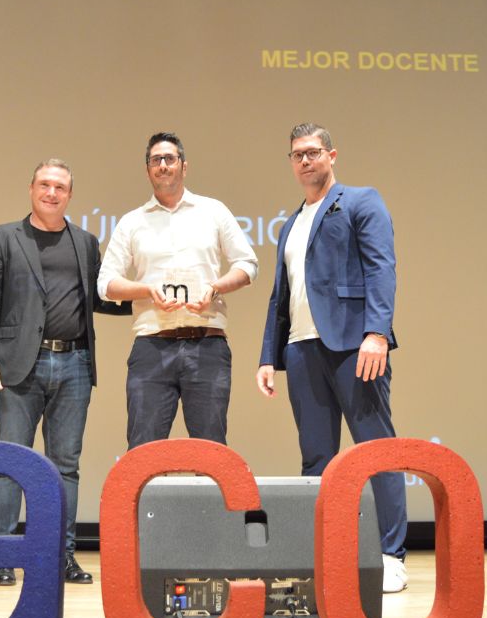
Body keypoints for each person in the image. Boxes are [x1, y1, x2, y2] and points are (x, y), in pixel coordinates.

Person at [256, 122, 409, 593]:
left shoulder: (361, 201)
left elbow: (382, 267)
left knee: (376, 450)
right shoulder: (289, 223)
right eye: (298, 154)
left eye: (314, 152)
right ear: (291, 161)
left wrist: (377, 333)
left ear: (332, 155)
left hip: (353, 345)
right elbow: (279, 296)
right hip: (301, 349)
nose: (306, 160)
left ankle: (390, 556)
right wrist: (268, 354)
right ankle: (323, 553)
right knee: (316, 458)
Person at [0, 158, 128, 587]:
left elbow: (101, 298)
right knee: (11, 462)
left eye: (60, 187)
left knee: (65, 466)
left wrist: (150, 295)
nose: (52, 192)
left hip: (75, 363)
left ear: (70, 195)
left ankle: (62, 556)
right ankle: (3, 556)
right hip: (20, 365)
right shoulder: (3, 237)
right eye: (45, 184)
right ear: (31, 188)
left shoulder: (85, 241)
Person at [98, 132, 258, 448]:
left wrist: (215, 287)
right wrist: (146, 290)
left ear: (184, 166)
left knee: (211, 451)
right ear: (148, 170)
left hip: (207, 346)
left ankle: (211, 500)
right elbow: (106, 284)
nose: (163, 165)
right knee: (142, 451)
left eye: (169, 159)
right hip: (151, 348)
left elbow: (248, 266)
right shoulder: (132, 222)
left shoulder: (214, 211)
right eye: (156, 160)